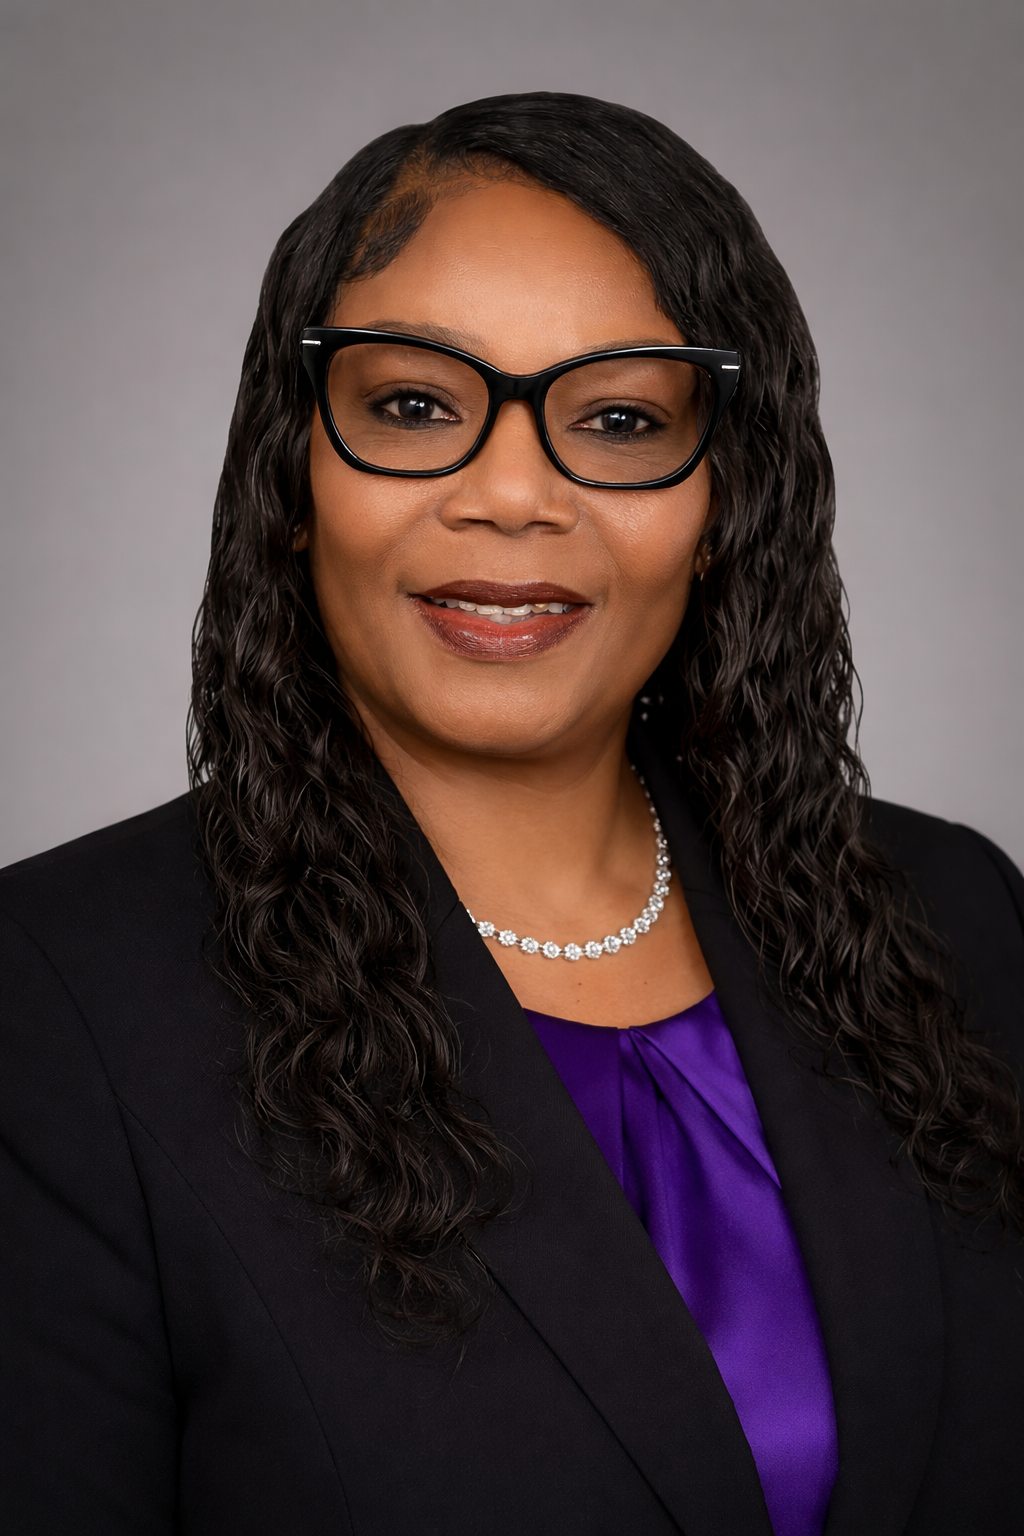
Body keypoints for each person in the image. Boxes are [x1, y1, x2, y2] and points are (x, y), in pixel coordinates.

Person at [2, 92, 1022, 1536]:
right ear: (293, 473)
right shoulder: (53, 1001)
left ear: (727, 505)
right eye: (415, 405)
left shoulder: (961, 916)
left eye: (620, 420)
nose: (512, 495)